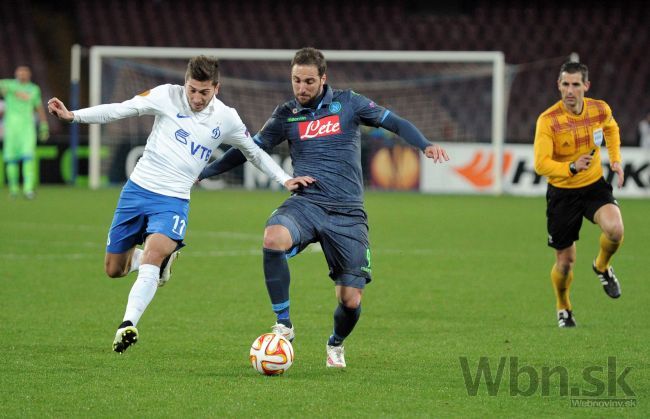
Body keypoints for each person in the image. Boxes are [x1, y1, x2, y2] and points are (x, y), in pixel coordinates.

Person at [199, 47, 449, 367]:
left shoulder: (349, 103)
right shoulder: (286, 113)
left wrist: (424, 145)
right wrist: (206, 172)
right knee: (273, 237)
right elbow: (251, 149)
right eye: (296, 81)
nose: (301, 88)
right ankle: (284, 324)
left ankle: (336, 342)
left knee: (350, 298)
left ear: (323, 79)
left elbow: (392, 122)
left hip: (348, 213)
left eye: (308, 81)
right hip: (308, 203)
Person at [48, 55, 314, 353]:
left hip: (173, 200)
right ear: (185, 83)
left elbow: (254, 152)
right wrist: (74, 116)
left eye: (204, 92)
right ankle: (156, 263)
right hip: (136, 191)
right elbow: (121, 110)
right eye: (192, 90)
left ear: (217, 87)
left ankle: (127, 324)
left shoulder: (226, 118)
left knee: (152, 256)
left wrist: (284, 179)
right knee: (114, 269)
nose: (196, 98)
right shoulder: (166, 95)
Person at [533, 61, 625, 328]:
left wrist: (615, 160)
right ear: (558, 86)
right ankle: (564, 307)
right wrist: (571, 167)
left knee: (616, 230)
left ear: (586, 86)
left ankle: (602, 266)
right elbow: (541, 164)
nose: (570, 90)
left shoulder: (599, 109)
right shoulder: (548, 120)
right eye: (565, 84)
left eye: (575, 84)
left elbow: (612, 128)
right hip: (562, 193)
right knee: (565, 263)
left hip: (594, 186)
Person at [0, 66, 49, 199]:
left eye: (25, 72)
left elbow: (38, 107)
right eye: (20, 72)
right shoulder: (8, 85)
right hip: (11, 129)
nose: (22, 74)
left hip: (27, 128)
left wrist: (44, 125)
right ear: (15, 74)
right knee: (11, 160)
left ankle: (28, 189)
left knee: (28, 158)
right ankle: (13, 189)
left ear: (29, 74)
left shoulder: (34, 89)